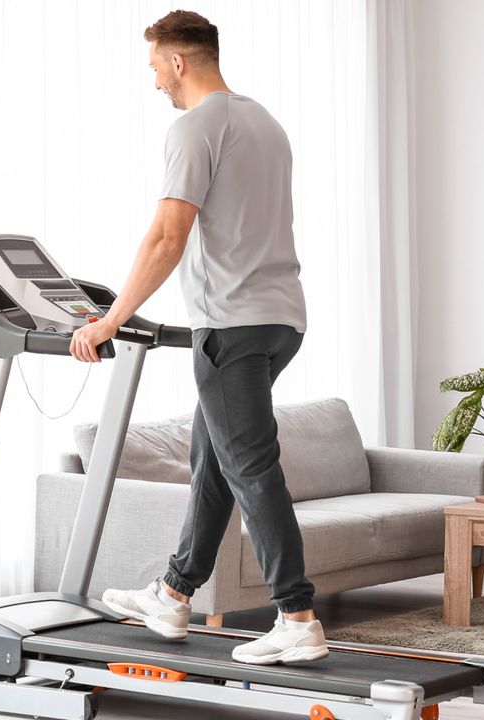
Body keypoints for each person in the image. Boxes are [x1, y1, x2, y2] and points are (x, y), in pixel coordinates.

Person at [68, 9, 327, 666]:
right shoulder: (265, 122)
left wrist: (109, 320)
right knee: (211, 459)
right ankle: (175, 592)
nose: (154, 81)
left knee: (249, 467)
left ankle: (296, 614)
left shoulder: (194, 128)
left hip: (232, 326)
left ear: (178, 61)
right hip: (281, 320)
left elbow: (166, 236)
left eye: (155, 67)